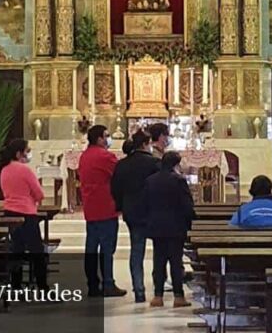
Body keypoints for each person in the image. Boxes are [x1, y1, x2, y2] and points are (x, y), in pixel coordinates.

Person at [111, 130, 160, 303]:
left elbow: (115, 188)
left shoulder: (122, 164)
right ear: (146, 143)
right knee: (159, 252)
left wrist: (120, 206)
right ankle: (158, 289)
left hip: (131, 211)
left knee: (136, 251)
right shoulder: (154, 163)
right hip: (153, 211)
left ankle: (139, 290)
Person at [78, 125, 126, 297]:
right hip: (105, 206)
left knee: (91, 247)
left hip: (90, 207)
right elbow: (120, 174)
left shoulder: (84, 156)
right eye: (106, 135)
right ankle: (108, 283)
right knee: (107, 248)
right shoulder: (104, 156)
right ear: (99, 138)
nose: (108, 139)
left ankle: (92, 284)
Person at [145, 151, 195, 308]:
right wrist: (190, 222)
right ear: (175, 164)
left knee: (158, 261)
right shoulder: (179, 180)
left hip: (157, 225)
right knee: (175, 261)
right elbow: (187, 204)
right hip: (175, 226)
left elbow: (144, 203)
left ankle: (158, 296)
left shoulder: (150, 180)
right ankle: (178, 296)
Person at [0, 138, 49, 289]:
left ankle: (16, 285)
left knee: (17, 249)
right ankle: (42, 286)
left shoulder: (5, 169)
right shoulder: (24, 170)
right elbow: (39, 193)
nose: (28, 154)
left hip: (9, 212)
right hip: (26, 213)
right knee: (37, 251)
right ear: (18, 153)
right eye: (27, 151)